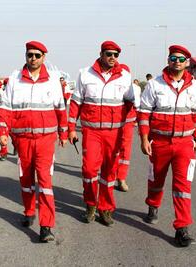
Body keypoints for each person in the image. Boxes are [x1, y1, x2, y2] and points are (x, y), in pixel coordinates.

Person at [0, 41, 67, 242]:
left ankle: (46, 226)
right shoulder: (14, 80)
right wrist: (2, 131)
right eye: (30, 55)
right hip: (23, 140)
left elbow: (60, 109)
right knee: (26, 180)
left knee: (45, 182)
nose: (33, 58)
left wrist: (63, 134)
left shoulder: (52, 80)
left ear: (44, 57)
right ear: (25, 56)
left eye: (37, 55)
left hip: (45, 141)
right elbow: (5, 109)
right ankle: (29, 211)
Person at [138, 45, 196, 247]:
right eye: (173, 58)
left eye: (181, 59)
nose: (177, 62)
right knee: (156, 180)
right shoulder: (154, 85)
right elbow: (144, 114)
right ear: (168, 60)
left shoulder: (195, 86)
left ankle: (182, 228)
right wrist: (144, 139)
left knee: (183, 187)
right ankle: (153, 205)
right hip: (160, 142)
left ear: (187, 62)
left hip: (184, 144)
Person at [68, 40, 135, 226]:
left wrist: (126, 130)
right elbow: (75, 103)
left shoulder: (125, 76)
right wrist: (71, 128)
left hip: (114, 133)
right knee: (89, 170)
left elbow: (131, 104)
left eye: (116, 54)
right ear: (101, 54)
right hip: (92, 132)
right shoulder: (85, 74)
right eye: (109, 54)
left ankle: (105, 208)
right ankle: (90, 204)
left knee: (109, 172)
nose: (112, 57)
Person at [115, 78, 141, 192]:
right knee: (112, 150)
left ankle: (121, 178)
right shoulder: (111, 86)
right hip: (113, 124)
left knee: (125, 151)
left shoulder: (135, 88)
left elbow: (138, 106)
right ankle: (110, 174)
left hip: (127, 123)